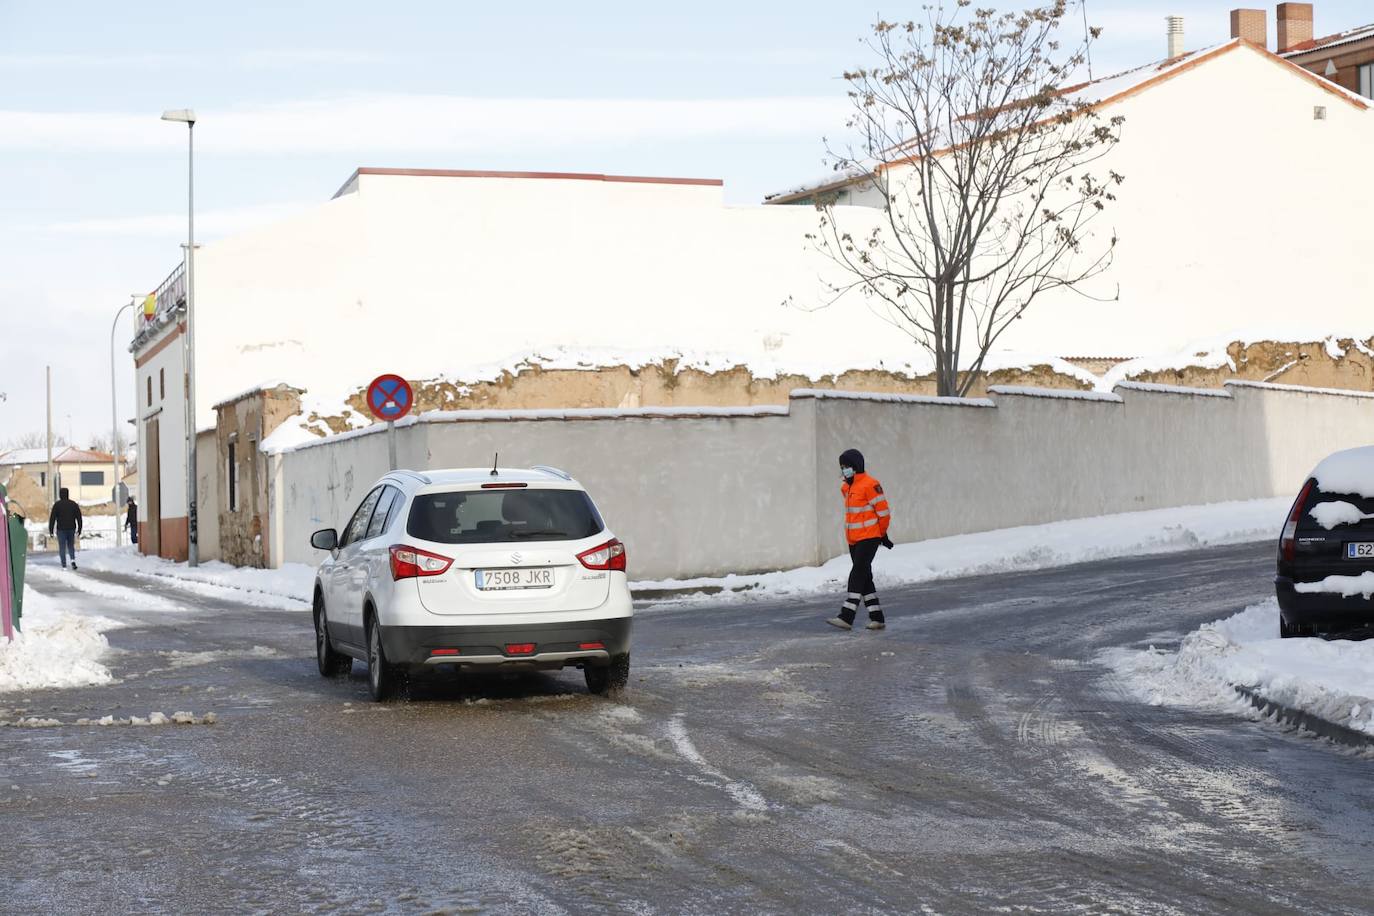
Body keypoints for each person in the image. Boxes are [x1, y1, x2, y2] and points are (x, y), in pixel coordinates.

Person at [827, 448, 893, 631]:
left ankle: (847, 616)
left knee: (857, 573)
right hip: (854, 539)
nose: (843, 469)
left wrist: (881, 534)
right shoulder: (846, 488)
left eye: (846, 466)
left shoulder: (870, 485)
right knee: (865, 576)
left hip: (869, 537)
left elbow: (884, 513)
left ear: (855, 466)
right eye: (842, 467)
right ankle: (877, 617)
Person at [48, 487, 83, 570]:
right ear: (67, 494)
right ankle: (72, 560)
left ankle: (64, 565)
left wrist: (51, 531)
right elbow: (79, 517)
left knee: (62, 547)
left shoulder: (57, 505)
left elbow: (52, 518)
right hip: (71, 528)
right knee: (71, 545)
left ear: (60, 495)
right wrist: (79, 529)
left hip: (61, 529)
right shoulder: (73, 504)